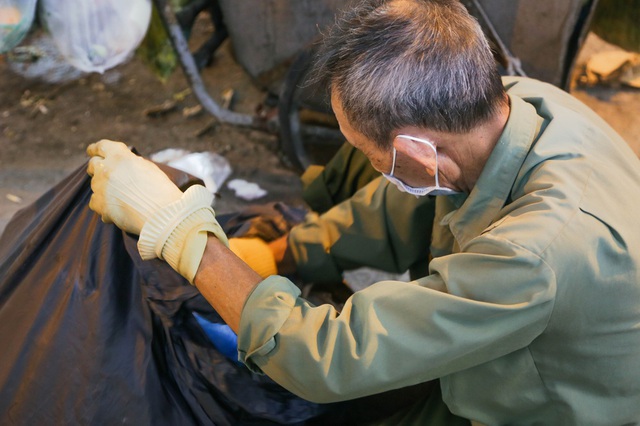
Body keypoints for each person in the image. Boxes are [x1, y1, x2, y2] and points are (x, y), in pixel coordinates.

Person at [86, 0, 640, 424]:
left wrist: (183, 234)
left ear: (421, 152)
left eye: (377, 157)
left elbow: (330, 360)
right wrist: (284, 251)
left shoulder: (531, 255)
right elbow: (396, 202)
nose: (376, 170)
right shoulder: (515, 105)